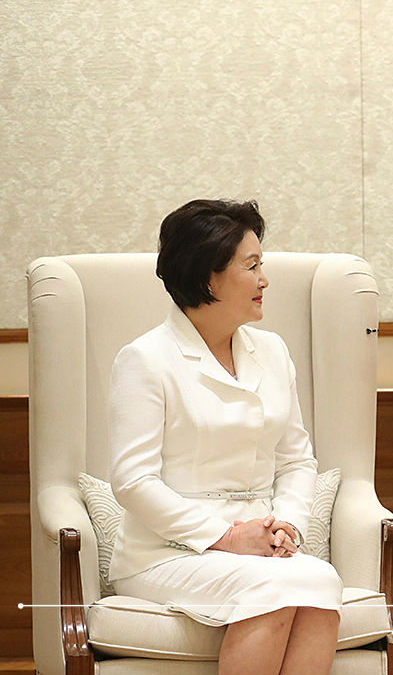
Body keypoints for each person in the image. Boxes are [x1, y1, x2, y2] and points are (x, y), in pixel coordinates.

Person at [108, 199, 341, 675]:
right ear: (208, 276)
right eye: (251, 266)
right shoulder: (146, 359)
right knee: (275, 590)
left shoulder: (271, 350)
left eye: (263, 265)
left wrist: (289, 526)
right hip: (164, 552)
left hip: (264, 544)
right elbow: (132, 481)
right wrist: (226, 536)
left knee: (320, 579)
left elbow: (297, 461)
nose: (264, 280)